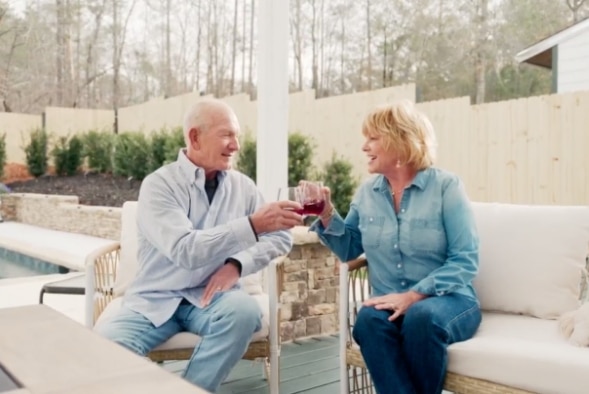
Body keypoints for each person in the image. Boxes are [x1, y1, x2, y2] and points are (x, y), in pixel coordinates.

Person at [94, 98, 303, 392]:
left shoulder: (243, 187)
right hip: (154, 300)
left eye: (237, 136)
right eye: (227, 135)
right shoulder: (159, 185)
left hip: (211, 299)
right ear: (195, 137)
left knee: (244, 312)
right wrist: (253, 225)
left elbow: (280, 236)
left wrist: (237, 264)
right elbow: (185, 250)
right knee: (106, 345)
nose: (236, 145)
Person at [309, 100, 481, 394]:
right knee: (367, 321)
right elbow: (350, 248)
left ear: (401, 140)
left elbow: (465, 260)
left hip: (448, 301)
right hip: (389, 303)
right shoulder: (367, 193)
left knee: (421, 317)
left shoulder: (446, 187)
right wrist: (326, 213)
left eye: (373, 138)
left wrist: (415, 295)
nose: (364, 147)